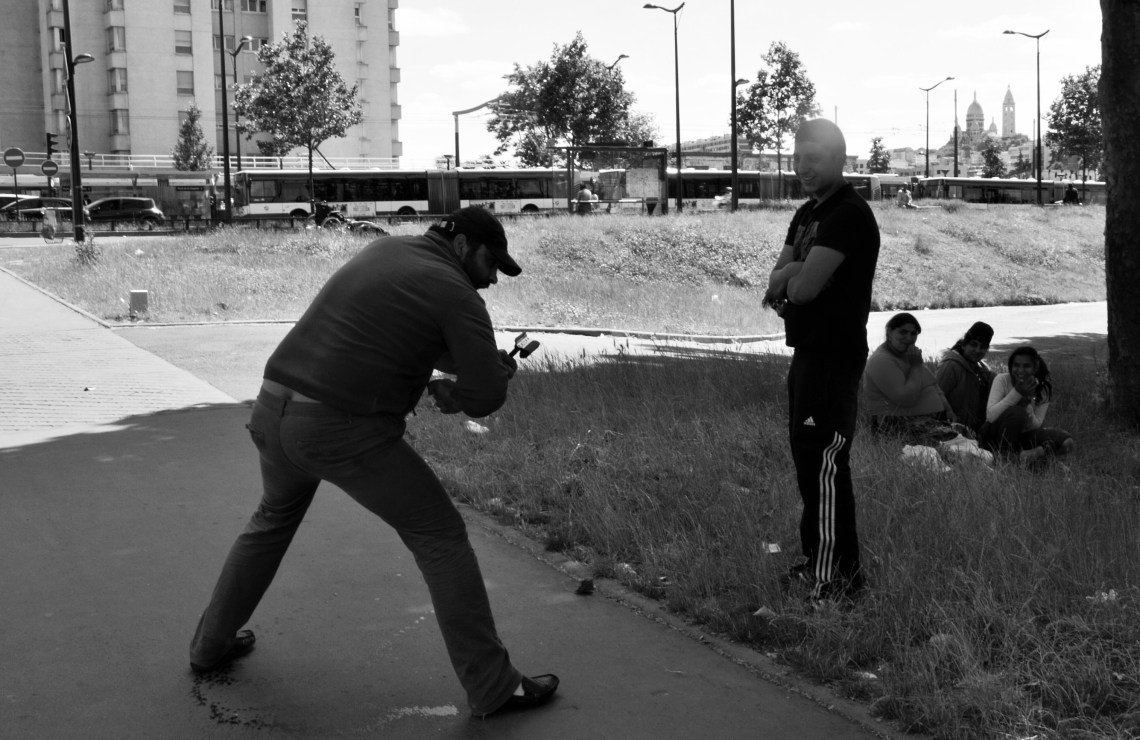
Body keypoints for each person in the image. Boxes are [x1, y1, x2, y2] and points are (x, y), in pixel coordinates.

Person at [188, 206, 559, 718]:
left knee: (270, 521)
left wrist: (472, 368)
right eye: (490, 263)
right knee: (441, 536)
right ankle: (495, 686)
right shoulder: (457, 292)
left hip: (273, 409)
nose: (494, 277)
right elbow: (482, 400)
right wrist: (476, 384)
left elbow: (402, 332)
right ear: (460, 246)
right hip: (336, 426)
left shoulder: (386, 250)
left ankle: (209, 646)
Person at [762, 118, 880, 603]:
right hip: (808, 353)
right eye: (797, 160)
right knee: (808, 463)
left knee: (826, 463)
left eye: (813, 160)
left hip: (833, 356)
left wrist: (793, 276)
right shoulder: (809, 213)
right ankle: (817, 562)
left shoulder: (847, 214)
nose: (803, 169)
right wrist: (793, 273)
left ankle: (837, 580)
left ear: (838, 160)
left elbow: (803, 288)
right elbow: (777, 283)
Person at [863, 312, 959, 444]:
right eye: (903, 332)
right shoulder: (881, 360)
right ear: (889, 332)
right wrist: (915, 365)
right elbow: (905, 398)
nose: (909, 338)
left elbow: (932, 384)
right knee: (961, 444)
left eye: (913, 334)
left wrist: (948, 410)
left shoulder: (908, 355)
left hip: (923, 422)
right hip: (896, 426)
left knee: (967, 437)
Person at [982, 346, 1075, 464]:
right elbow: (991, 416)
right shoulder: (1002, 380)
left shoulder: (1042, 389)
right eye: (1016, 365)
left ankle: (1029, 458)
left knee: (1067, 442)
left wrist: (1027, 405)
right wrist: (1017, 393)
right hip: (995, 435)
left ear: (1035, 368)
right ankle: (1007, 457)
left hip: (1024, 436)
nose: (1020, 370)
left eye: (1026, 366)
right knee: (1017, 413)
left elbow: (1036, 425)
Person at [935, 321, 997, 434]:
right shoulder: (950, 366)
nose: (977, 350)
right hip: (952, 430)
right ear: (964, 345)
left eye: (982, 347)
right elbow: (935, 396)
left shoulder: (983, 370)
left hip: (977, 429)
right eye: (973, 345)